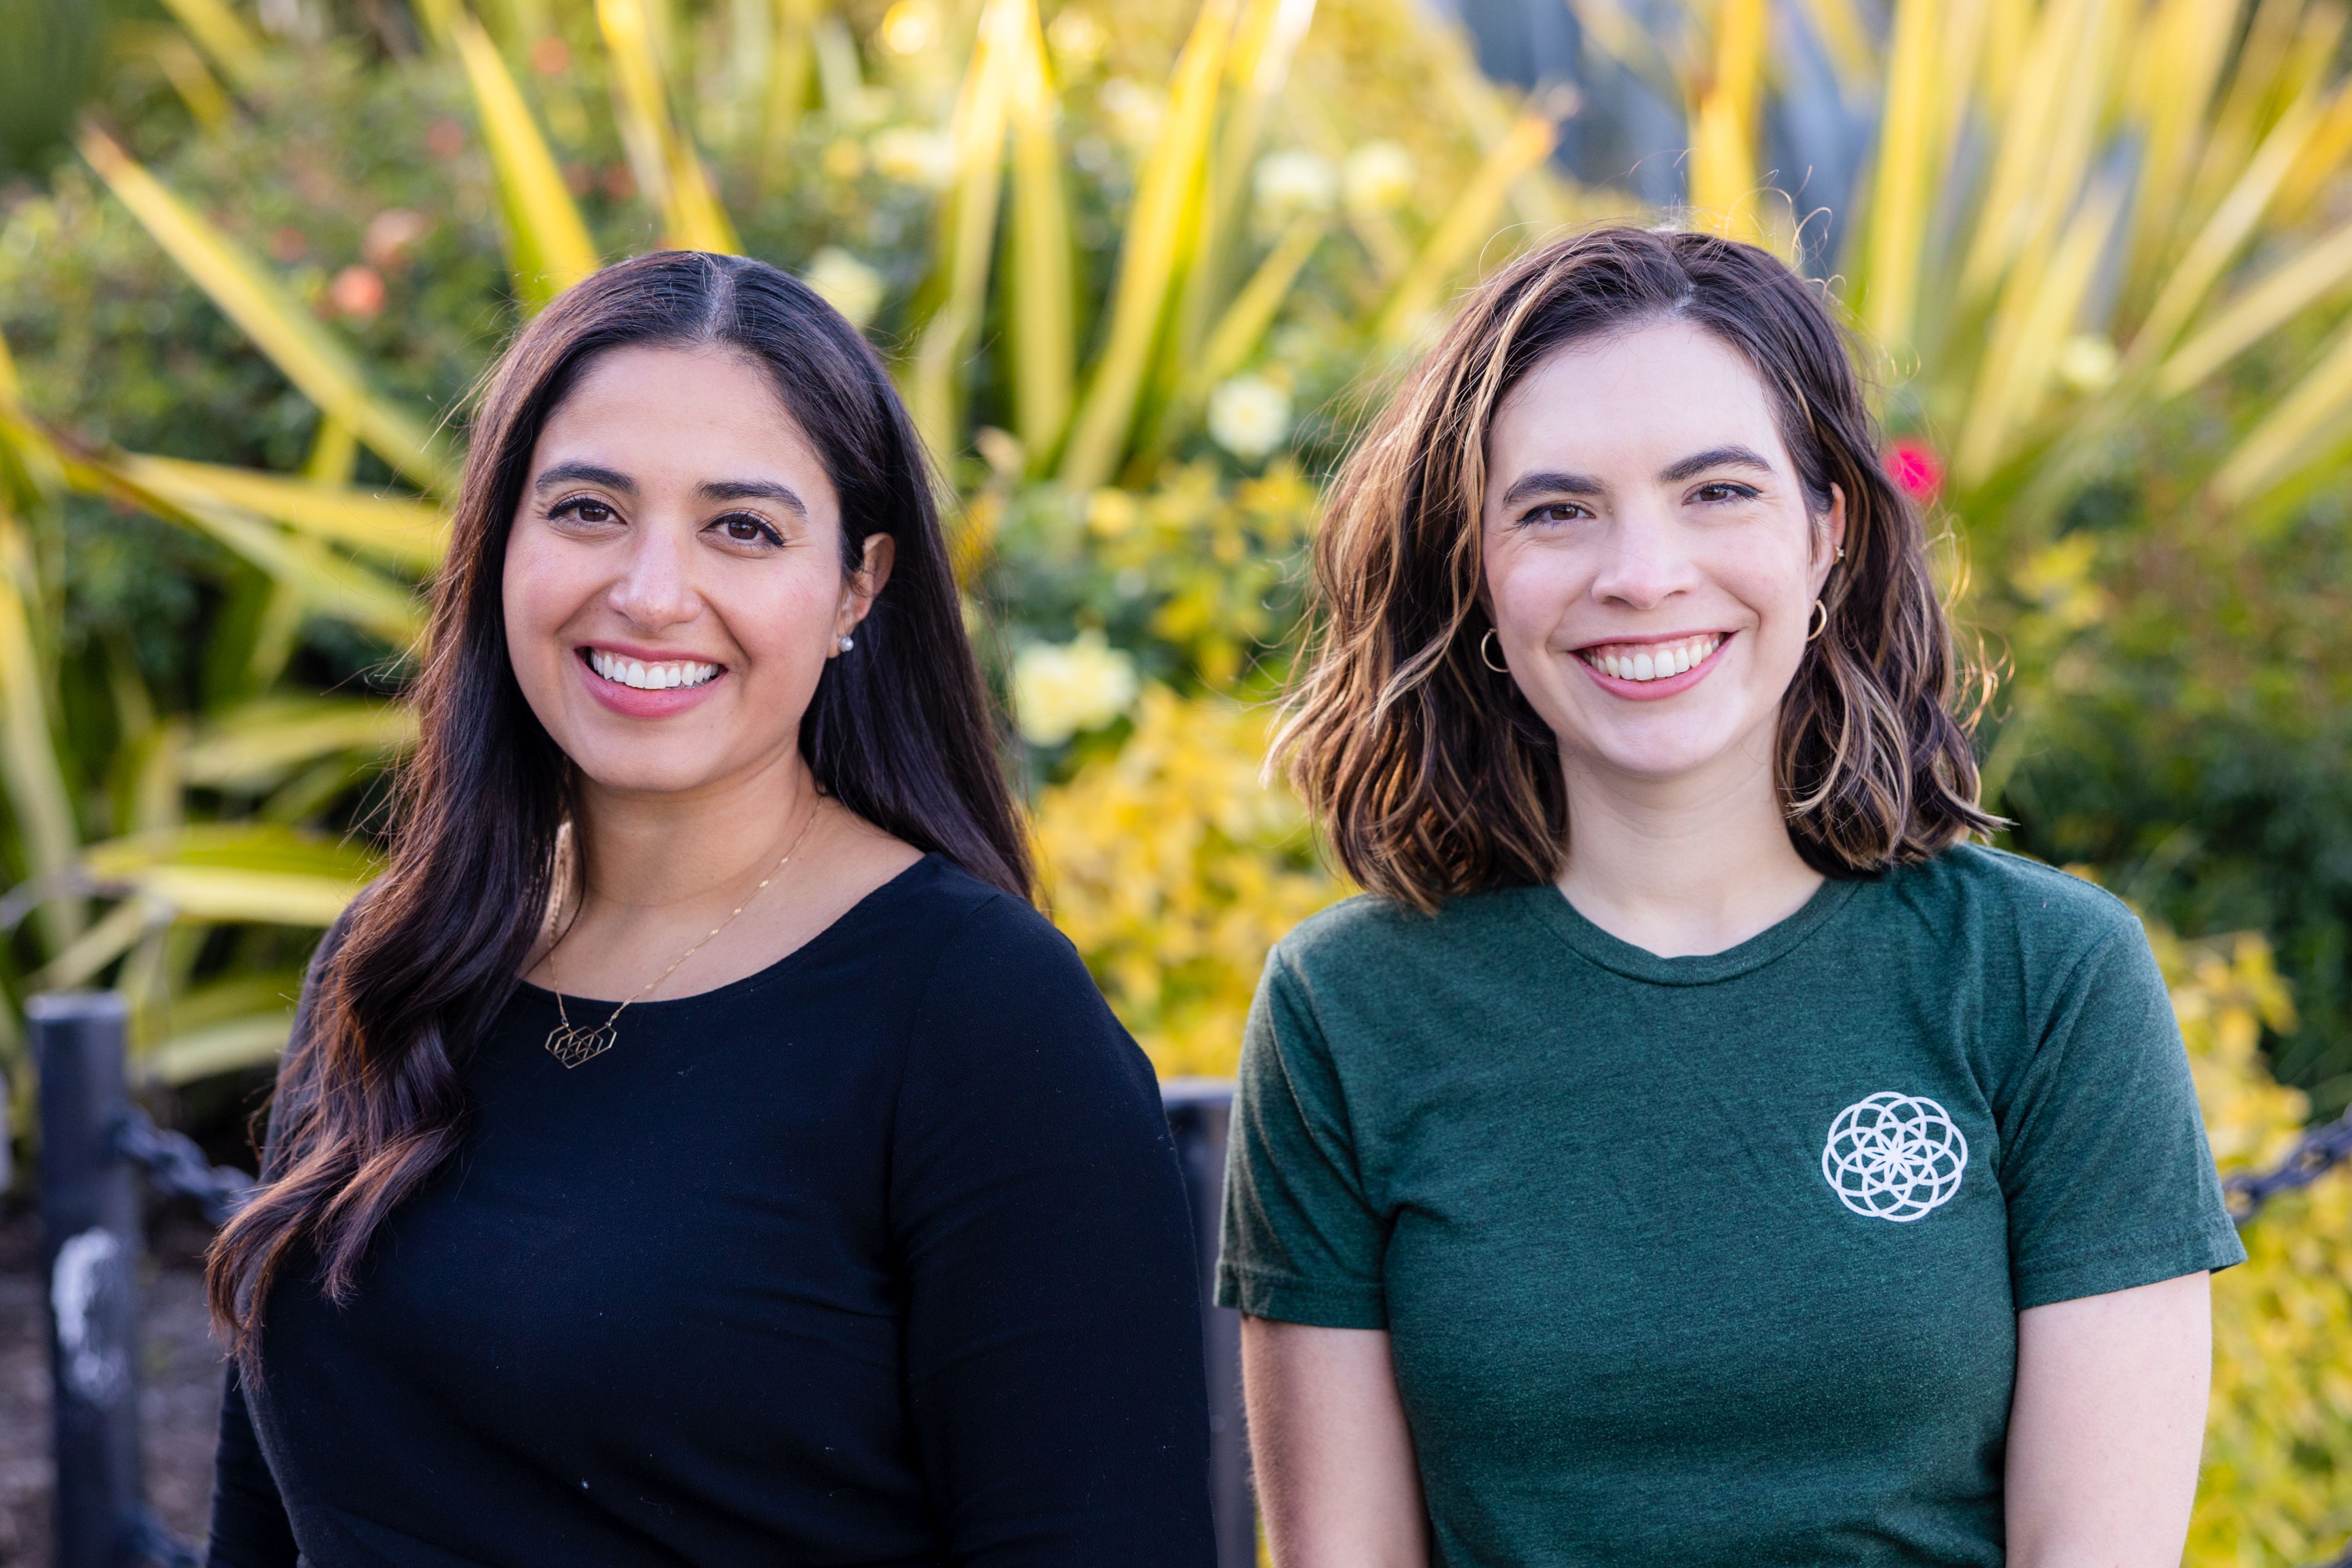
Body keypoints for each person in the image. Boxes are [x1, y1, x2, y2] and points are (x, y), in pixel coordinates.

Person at [1218, 226, 2243, 1567]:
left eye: (1715, 491)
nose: (1640, 572)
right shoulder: (1344, 1011)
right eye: (1556, 507)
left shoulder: (2042, 978)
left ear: (1825, 532)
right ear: (1473, 563)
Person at [203, 249, 1216, 1568]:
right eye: (586, 509)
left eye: (741, 526)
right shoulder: (394, 961)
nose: (650, 590)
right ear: (500, 537)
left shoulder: (981, 1020)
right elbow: (258, 1523)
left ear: (858, 584)